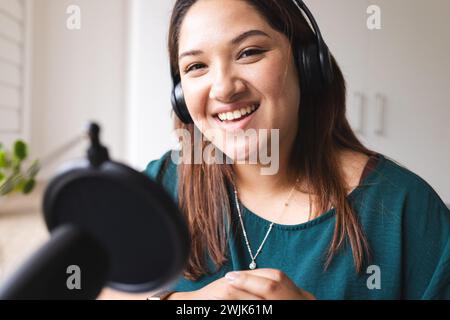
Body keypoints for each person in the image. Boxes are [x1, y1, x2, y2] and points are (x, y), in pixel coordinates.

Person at [141, 0, 449, 300]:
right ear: (180, 96)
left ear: (306, 63)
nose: (223, 89)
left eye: (249, 52)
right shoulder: (162, 184)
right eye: (196, 66)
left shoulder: (404, 209)